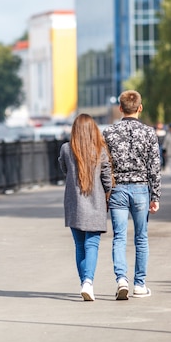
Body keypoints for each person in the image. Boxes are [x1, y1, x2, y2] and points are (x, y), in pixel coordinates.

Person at [103, 90, 161, 300]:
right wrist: (155, 196)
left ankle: (121, 280)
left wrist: (106, 191)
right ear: (140, 108)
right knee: (141, 237)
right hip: (140, 189)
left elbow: (105, 164)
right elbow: (154, 166)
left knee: (119, 237)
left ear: (120, 109)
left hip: (117, 188)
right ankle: (139, 284)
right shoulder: (148, 133)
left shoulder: (109, 133)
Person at [59, 114, 113, 302]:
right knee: (92, 245)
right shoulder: (100, 150)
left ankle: (85, 283)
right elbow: (106, 177)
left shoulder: (66, 149)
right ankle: (88, 282)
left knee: (80, 246)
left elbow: (64, 170)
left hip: (74, 204)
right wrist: (108, 194)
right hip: (95, 203)